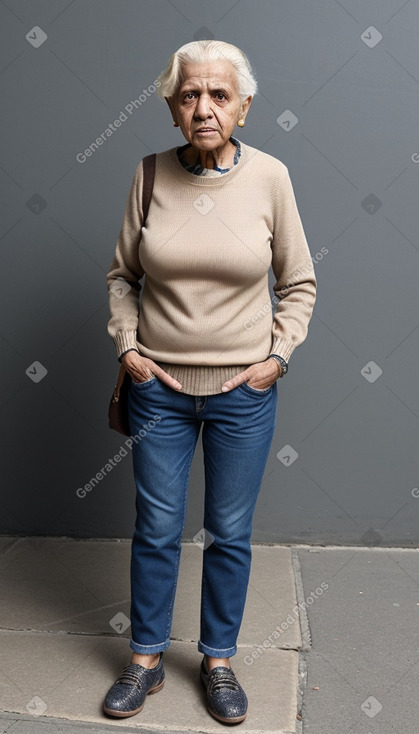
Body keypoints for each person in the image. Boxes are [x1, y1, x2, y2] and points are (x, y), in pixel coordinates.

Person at [103, 39, 316, 724]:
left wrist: (276, 359)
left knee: (227, 531)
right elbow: (121, 279)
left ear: (244, 107)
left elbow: (299, 283)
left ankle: (217, 659)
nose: (203, 108)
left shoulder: (271, 179)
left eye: (218, 95)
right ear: (171, 107)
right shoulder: (148, 175)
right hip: (157, 387)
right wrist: (129, 348)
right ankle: (144, 660)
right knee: (157, 527)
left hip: (242, 394)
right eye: (189, 94)